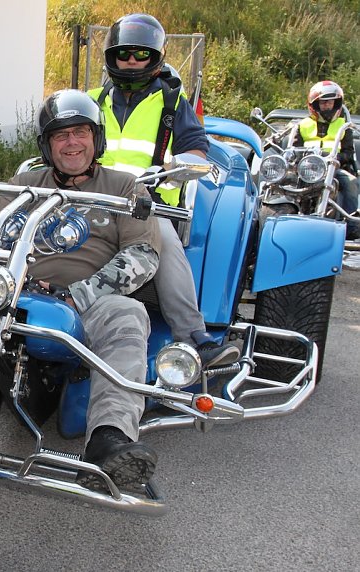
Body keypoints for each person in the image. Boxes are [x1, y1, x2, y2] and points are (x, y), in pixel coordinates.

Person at [0, 89, 162, 488]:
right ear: (47, 144)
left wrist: (80, 293)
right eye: (61, 135)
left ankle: (110, 440)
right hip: (14, 292)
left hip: (84, 301)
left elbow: (142, 255)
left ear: (96, 138)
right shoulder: (24, 183)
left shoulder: (124, 187)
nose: (72, 142)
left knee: (129, 314)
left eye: (81, 133)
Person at [88, 13, 240, 367]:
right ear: (111, 56)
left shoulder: (172, 103)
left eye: (141, 54)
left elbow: (198, 150)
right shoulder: (91, 101)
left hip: (146, 205)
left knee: (166, 242)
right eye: (124, 53)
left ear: (156, 59)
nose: (131, 61)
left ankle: (195, 338)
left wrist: (176, 165)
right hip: (91, 199)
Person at [290, 80, 360, 240]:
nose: (327, 106)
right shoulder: (302, 125)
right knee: (285, 184)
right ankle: (284, 215)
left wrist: (335, 158)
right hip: (306, 169)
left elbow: (349, 153)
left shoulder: (344, 126)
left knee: (350, 182)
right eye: (323, 103)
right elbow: (293, 151)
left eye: (330, 102)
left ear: (337, 103)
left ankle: (352, 226)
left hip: (333, 168)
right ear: (315, 105)